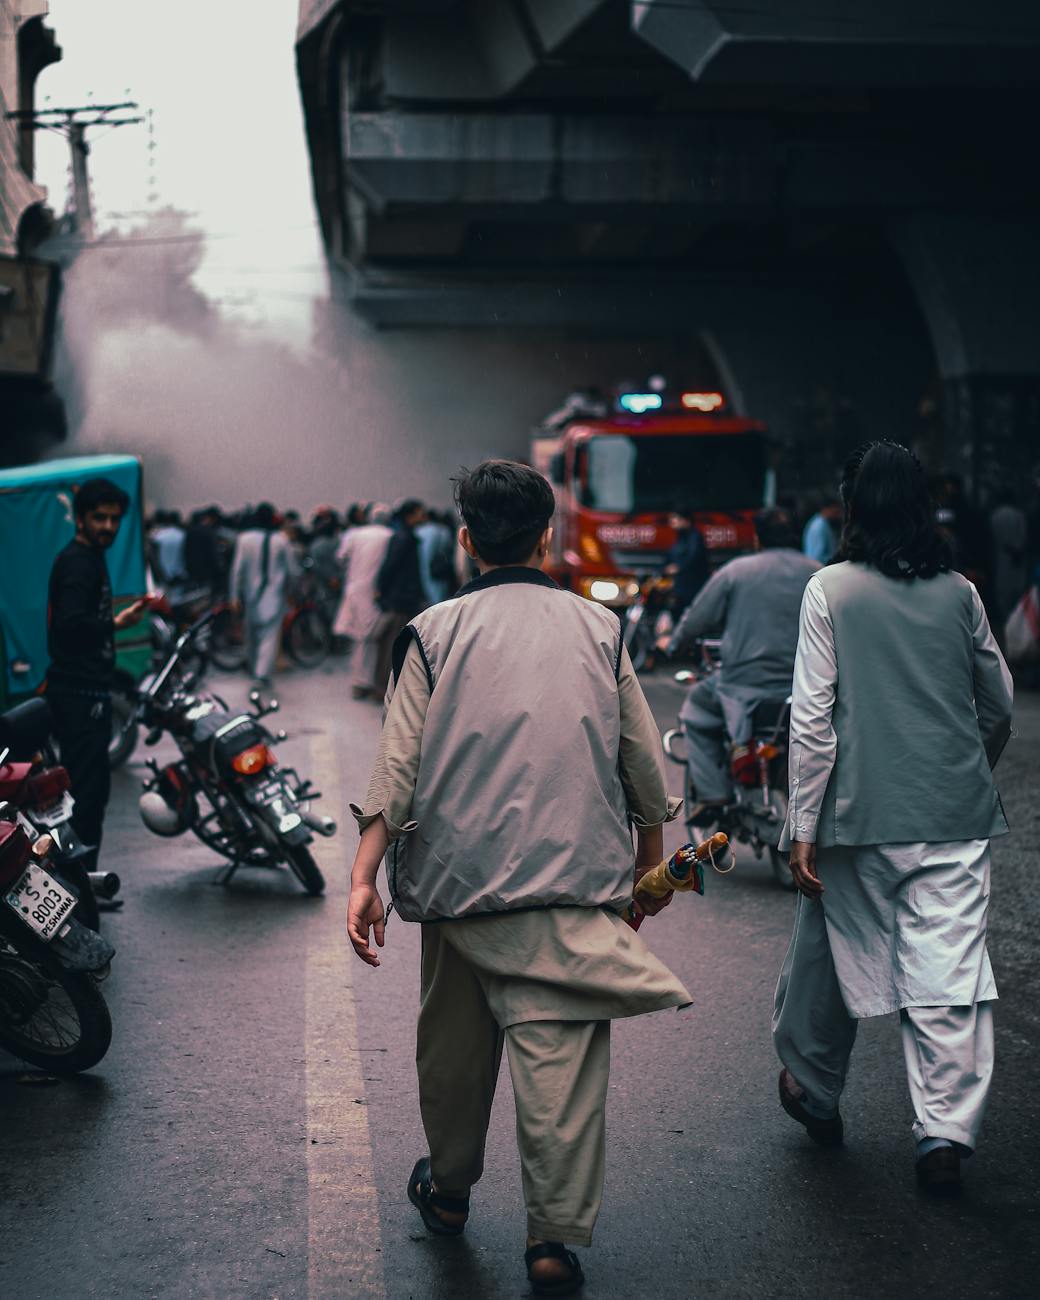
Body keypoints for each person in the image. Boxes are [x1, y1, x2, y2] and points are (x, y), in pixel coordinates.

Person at [346, 460, 690, 1297]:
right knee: (560, 1072)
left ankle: (449, 1193)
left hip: (457, 890)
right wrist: (648, 869)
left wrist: (363, 879)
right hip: (572, 889)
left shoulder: (432, 632)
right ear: (547, 538)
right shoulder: (599, 628)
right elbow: (642, 764)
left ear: (466, 540)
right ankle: (550, 1243)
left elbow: (397, 765)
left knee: (454, 1055)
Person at [772, 441, 1013, 1196]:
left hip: (857, 815)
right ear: (923, 507)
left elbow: (812, 718)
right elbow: (999, 704)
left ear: (852, 509)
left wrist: (802, 823)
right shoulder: (961, 592)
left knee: (832, 949)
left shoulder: (829, 590)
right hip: (954, 814)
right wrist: (966, 767)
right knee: (949, 973)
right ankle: (943, 1132)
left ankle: (813, 1087)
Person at [665, 508, 819, 822]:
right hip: (806, 686)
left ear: (757, 537)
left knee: (696, 708)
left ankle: (712, 794)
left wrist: (673, 644)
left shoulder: (737, 571)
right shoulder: (818, 572)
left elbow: (697, 619)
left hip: (744, 685)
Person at [46, 477, 150, 886]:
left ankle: (84, 882)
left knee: (92, 792)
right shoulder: (78, 563)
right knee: (84, 796)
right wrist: (115, 623)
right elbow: (70, 626)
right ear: (81, 519)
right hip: (78, 693)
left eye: (114, 519)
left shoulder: (90, 557)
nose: (108, 526)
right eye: (99, 518)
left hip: (88, 691)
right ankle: (78, 887)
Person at [229, 502, 294, 690]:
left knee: (251, 634)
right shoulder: (281, 540)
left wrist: (234, 596)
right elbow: (292, 570)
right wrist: (292, 591)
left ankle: (254, 667)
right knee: (269, 636)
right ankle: (261, 674)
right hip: (274, 596)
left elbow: (237, 570)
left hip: (251, 595)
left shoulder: (244, 539)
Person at [333, 504, 394, 700]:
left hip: (355, 590)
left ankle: (360, 682)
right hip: (376, 593)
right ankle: (367, 682)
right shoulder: (390, 535)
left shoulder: (354, 534)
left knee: (360, 639)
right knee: (373, 638)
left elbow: (341, 558)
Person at [373, 498, 428, 689]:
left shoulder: (405, 536)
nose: (423, 515)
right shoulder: (404, 538)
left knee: (393, 643)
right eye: (420, 512)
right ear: (410, 515)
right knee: (392, 644)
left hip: (401, 597)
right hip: (401, 598)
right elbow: (391, 566)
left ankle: (386, 685)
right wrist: (381, 590)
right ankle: (383, 686)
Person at [989, 488, 1028, 631]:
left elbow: (993, 537)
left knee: (1003, 592)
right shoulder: (1019, 515)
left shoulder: (995, 515)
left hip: (1002, 556)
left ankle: (1007, 621)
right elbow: (1023, 536)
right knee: (1017, 590)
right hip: (1017, 556)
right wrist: (1017, 549)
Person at [665, 506, 709, 614]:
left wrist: (679, 568)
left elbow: (693, 557)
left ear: (686, 520)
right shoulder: (679, 537)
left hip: (691, 586)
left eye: (675, 518)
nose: (672, 521)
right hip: (680, 586)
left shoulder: (695, 537)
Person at [415, 508, 457, 606]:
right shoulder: (443, 530)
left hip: (421, 565)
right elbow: (448, 547)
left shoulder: (419, 530)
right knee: (439, 592)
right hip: (439, 566)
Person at [801, 498, 842, 565]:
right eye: (835, 512)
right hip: (818, 567)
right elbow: (816, 557)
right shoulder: (819, 526)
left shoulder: (823, 523)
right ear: (826, 509)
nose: (838, 516)